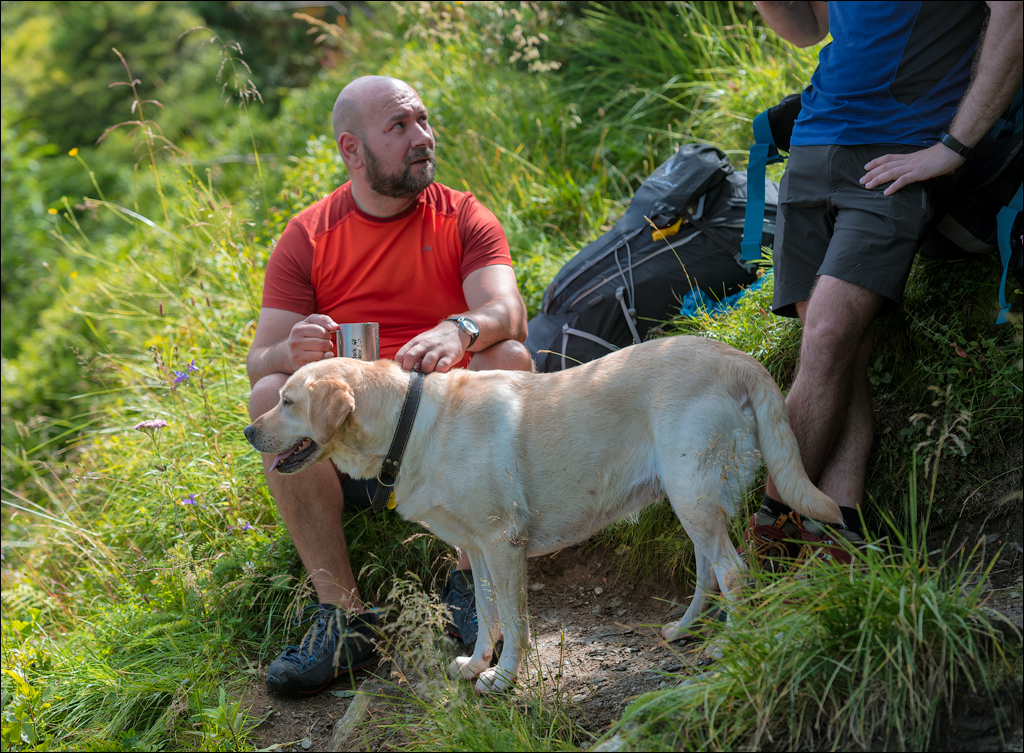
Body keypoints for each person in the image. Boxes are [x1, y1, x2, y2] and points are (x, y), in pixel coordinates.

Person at [247, 75, 534, 694]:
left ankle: (470, 578)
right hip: (351, 444)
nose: (422, 138)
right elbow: (258, 358)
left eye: (423, 122)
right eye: (400, 127)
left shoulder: (462, 215)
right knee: (266, 393)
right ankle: (342, 618)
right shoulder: (308, 236)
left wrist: (460, 329)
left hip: (446, 439)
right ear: (352, 149)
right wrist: (286, 348)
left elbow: (506, 311)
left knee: (507, 356)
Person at [748, 1, 1023, 562]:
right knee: (842, 348)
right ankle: (841, 532)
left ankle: (773, 525)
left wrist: (952, 147)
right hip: (813, 140)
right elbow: (809, 29)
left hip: (900, 152)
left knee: (826, 336)